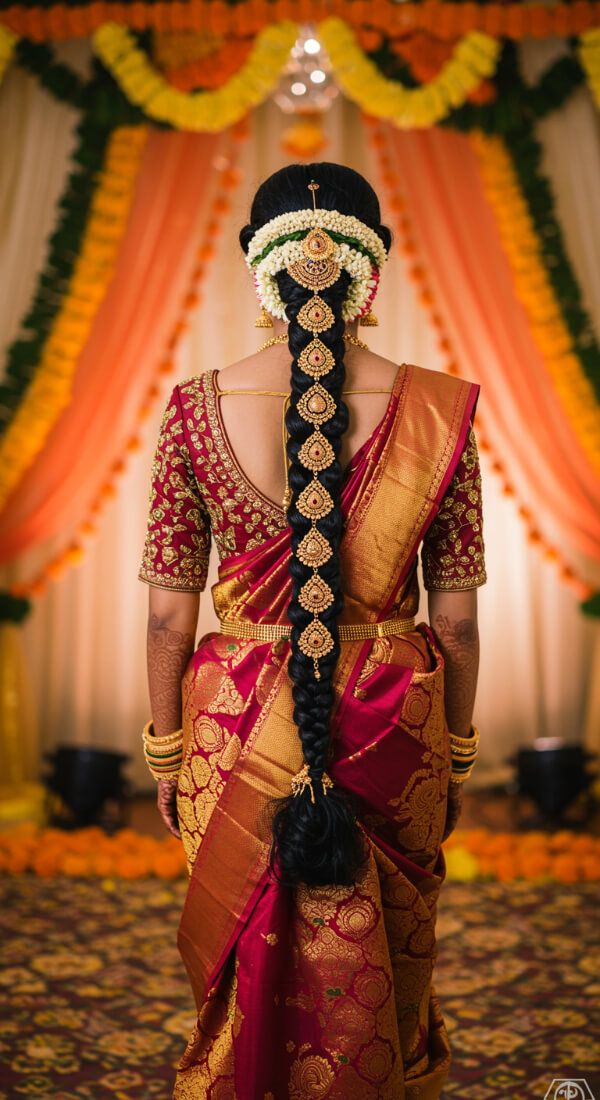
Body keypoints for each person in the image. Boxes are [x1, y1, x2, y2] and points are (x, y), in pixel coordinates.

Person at [138, 163, 486, 1099]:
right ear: (370, 276)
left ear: (263, 270)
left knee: (249, 953)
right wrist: (451, 757)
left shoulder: (196, 408)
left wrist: (170, 752)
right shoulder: (442, 411)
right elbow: (453, 620)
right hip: (391, 717)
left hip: (231, 720)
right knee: (389, 958)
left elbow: (170, 612)